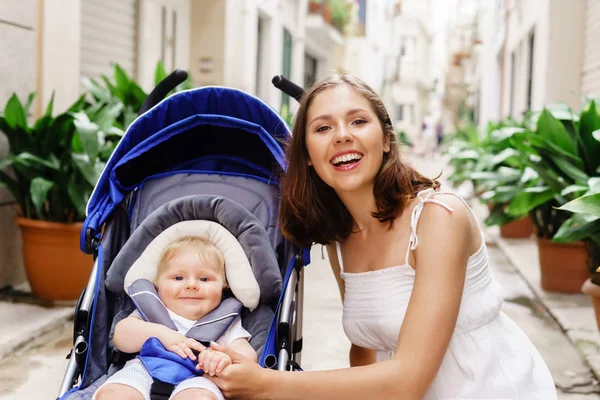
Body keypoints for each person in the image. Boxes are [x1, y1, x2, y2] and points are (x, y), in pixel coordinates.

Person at [204, 73, 557, 399]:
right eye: (323, 127)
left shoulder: (438, 218)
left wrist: (268, 383)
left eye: (358, 121)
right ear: (308, 157)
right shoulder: (340, 238)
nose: (342, 135)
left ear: (387, 140)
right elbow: (365, 348)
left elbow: (408, 379)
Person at [94, 236, 256, 400]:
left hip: (201, 378)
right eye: (178, 278)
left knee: (200, 398)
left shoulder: (226, 320)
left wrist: (224, 358)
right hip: (144, 369)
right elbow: (120, 337)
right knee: (114, 394)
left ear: (223, 286)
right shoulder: (151, 311)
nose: (191, 285)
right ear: (158, 285)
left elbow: (246, 354)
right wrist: (162, 334)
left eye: (204, 279)